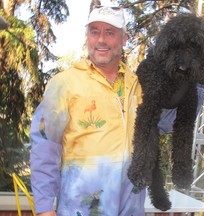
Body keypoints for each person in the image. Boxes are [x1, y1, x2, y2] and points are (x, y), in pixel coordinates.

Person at [30, 6, 144, 216]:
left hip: (131, 209)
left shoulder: (137, 85)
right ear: (87, 37)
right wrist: (45, 208)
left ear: (124, 39)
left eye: (110, 32)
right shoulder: (64, 84)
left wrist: (195, 84)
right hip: (80, 209)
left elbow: (164, 125)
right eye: (94, 32)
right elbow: (44, 149)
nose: (101, 40)